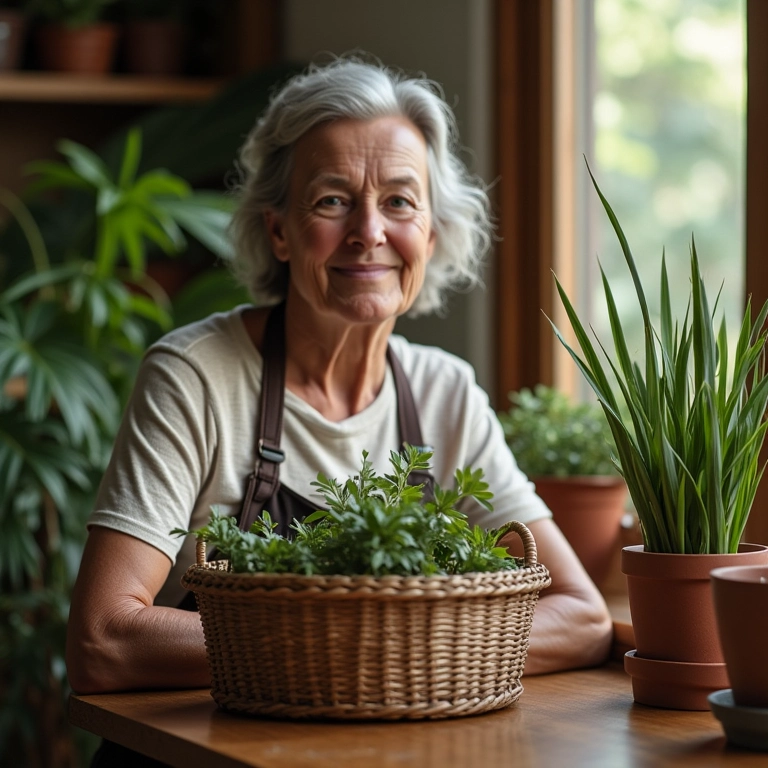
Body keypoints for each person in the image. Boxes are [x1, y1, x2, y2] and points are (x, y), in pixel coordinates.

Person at [67, 57, 612, 709]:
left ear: (431, 235)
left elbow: (582, 615)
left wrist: (371, 650)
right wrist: (369, 648)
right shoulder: (194, 378)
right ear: (280, 231)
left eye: (399, 202)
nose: (369, 233)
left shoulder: (446, 395)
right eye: (332, 201)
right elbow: (103, 642)